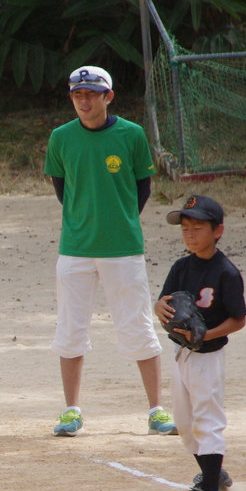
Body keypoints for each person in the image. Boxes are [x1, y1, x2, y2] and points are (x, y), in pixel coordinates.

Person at [43, 65, 176, 437]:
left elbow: (142, 188)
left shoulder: (131, 135)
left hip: (123, 249)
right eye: (77, 94)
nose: (83, 101)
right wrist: (85, 223)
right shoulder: (60, 138)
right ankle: (71, 410)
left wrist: (119, 223)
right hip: (75, 249)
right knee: (70, 328)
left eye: (91, 94)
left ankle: (156, 410)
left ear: (108, 96)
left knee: (137, 326)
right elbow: (62, 189)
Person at [154, 195, 246, 491]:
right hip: (181, 355)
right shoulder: (181, 267)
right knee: (183, 422)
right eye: (185, 228)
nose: (190, 234)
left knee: (207, 419)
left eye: (198, 227)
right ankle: (214, 473)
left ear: (218, 230)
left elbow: (238, 319)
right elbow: (163, 302)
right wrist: (159, 308)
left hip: (208, 357)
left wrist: (206, 334)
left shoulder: (226, 273)